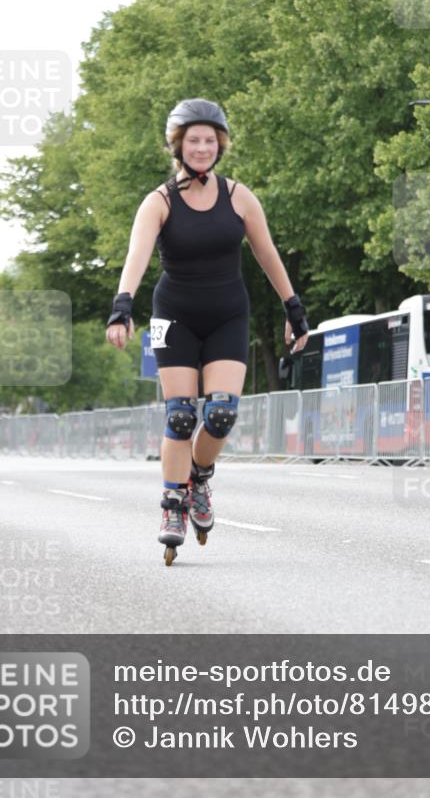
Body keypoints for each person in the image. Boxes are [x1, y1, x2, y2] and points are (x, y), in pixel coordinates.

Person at [105, 98, 309, 565]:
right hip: (172, 316)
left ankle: (200, 475)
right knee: (180, 415)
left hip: (226, 315)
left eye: (210, 140)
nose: (202, 147)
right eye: (193, 140)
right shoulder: (158, 201)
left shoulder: (240, 197)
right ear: (178, 146)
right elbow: (137, 256)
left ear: (220, 146)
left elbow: (267, 253)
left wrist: (293, 307)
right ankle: (172, 505)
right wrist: (122, 307)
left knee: (220, 415)